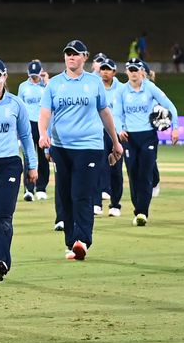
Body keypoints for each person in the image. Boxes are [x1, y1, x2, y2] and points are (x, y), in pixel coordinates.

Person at [38, 40, 123, 260]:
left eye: (75, 54)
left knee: (81, 194)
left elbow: (104, 112)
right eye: (68, 54)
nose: (71, 57)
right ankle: (71, 242)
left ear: (85, 57)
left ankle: (82, 240)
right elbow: (46, 112)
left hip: (90, 146)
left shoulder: (94, 82)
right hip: (62, 147)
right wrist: (43, 133)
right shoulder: (54, 84)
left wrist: (115, 141)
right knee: (65, 195)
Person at [0, 58, 38, 281]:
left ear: (5, 77)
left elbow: (26, 136)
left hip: (9, 164)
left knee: (2, 216)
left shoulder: (16, 104)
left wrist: (32, 165)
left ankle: (0, 262)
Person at [115, 58, 180, 227]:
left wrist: (175, 128)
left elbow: (170, 106)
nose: (134, 73)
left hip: (148, 136)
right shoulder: (122, 91)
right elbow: (116, 114)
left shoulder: (150, 88)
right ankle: (138, 208)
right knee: (133, 174)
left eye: (136, 69)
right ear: (127, 72)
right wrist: (119, 128)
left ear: (142, 72)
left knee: (145, 173)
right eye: (130, 70)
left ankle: (142, 212)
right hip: (129, 138)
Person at [94, 58, 124, 217]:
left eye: (108, 69)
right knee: (96, 167)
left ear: (114, 72)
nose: (104, 72)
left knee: (116, 170)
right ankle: (96, 203)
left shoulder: (121, 89)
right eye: (102, 69)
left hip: (115, 133)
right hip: (97, 132)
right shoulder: (95, 86)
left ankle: (115, 205)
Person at [17, 60, 50, 201]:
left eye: (36, 75)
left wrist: (46, 81)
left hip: (42, 123)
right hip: (28, 123)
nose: (34, 78)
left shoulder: (46, 87)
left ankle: (41, 187)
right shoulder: (23, 87)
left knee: (43, 156)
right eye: (32, 76)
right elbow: (20, 106)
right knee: (28, 156)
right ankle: (29, 189)